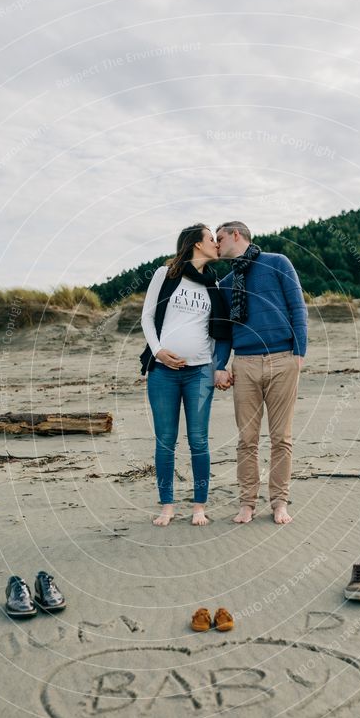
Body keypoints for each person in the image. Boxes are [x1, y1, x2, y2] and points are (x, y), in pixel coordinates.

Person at [214, 221, 308, 525]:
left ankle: (280, 502)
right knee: (247, 439)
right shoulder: (226, 282)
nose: (216, 245)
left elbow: (298, 307)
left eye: (220, 238)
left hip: (283, 359)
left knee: (282, 438)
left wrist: (299, 353)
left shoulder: (278, 263)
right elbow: (225, 332)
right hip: (244, 363)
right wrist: (219, 366)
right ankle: (247, 503)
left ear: (236, 235)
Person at [141, 223, 230, 526]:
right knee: (165, 440)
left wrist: (218, 366)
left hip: (199, 374)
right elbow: (148, 316)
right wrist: (157, 351)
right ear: (196, 244)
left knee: (199, 440)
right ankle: (167, 505)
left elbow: (217, 332)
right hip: (163, 372)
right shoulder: (165, 274)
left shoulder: (213, 285)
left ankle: (199, 506)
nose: (216, 244)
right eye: (211, 239)